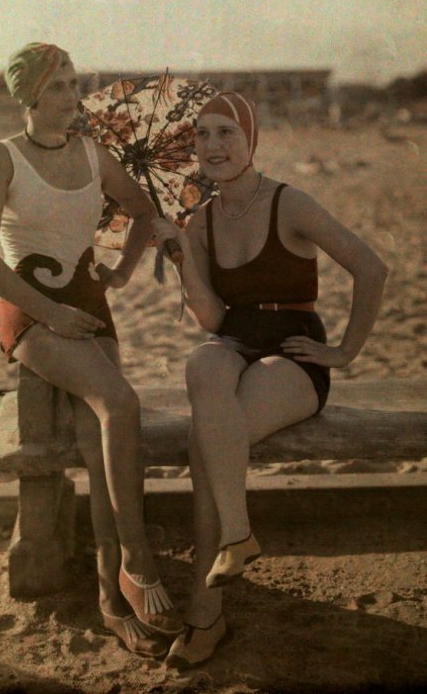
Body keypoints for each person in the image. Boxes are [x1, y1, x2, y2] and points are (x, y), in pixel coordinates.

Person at [153, 91, 388, 668]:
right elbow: (210, 320)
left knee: (206, 447)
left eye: (226, 132)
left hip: (293, 349)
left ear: (250, 139)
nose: (212, 145)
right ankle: (238, 536)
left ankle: (206, 615)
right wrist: (183, 255)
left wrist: (345, 352)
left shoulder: (290, 202)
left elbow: (371, 267)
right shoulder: (202, 219)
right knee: (201, 361)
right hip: (232, 342)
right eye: (202, 134)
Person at [0, 43, 183, 658]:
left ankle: (112, 601)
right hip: (32, 310)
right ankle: (138, 562)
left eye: (73, 82)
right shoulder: (1, 156)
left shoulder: (95, 153)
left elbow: (144, 209)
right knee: (121, 403)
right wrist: (49, 312)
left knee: (98, 435)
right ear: (29, 95)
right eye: (58, 85)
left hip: (88, 302)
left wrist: (119, 274)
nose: (70, 95)